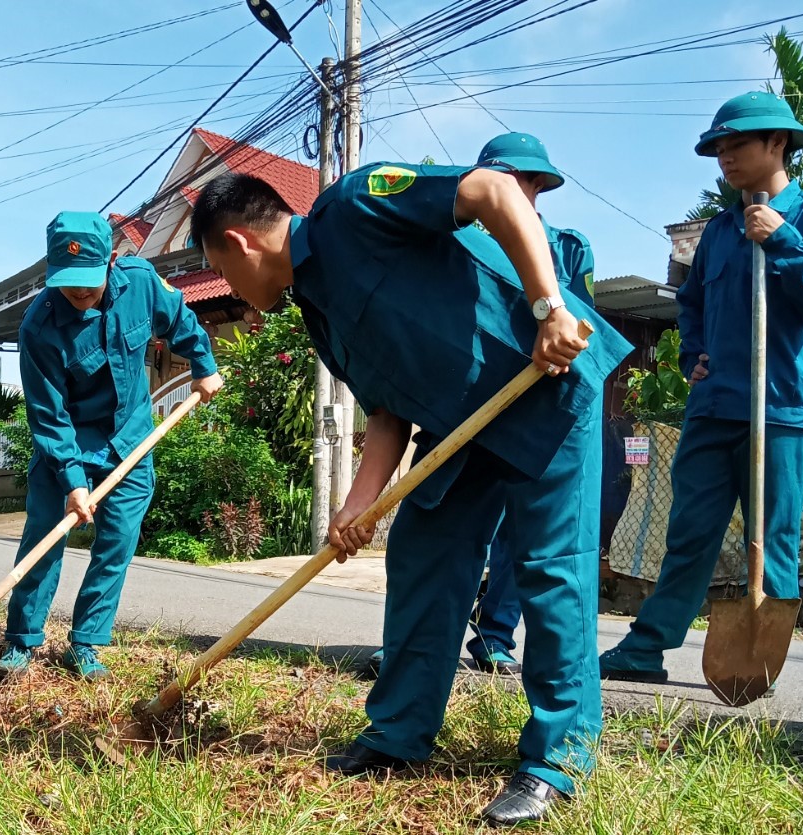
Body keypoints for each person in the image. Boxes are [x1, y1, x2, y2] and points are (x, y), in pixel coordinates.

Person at [189, 164, 630, 825]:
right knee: (424, 555)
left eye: (221, 268)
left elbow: (494, 191)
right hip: (462, 429)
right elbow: (387, 412)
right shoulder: (317, 309)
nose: (238, 293)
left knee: (548, 570)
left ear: (238, 241)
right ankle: (397, 735)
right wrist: (356, 507)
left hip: (543, 384)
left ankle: (555, 763)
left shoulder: (355, 206)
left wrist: (550, 307)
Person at [365, 132, 598, 678]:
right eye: (503, 178)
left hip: (541, 413)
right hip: (465, 414)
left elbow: (581, 322)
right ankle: (413, 650)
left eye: (521, 181)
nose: (512, 190)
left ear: (539, 185)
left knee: (530, 545)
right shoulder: (457, 243)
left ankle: (494, 637)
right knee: (438, 536)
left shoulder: (567, 247)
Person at [600, 92, 803, 685]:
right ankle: (646, 648)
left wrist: (784, 241)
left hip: (782, 411)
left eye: (737, 143)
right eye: (718, 147)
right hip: (714, 409)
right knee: (689, 534)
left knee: (774, 541)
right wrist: (694, 353)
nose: (725, 157)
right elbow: (690, 304)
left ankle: (760, 665)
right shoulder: (718, 233)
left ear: (777, 143)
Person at [0, 211, 222, 682]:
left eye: (88, 282)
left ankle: (86, 644)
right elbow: (48, 415)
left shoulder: (140, 283)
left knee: (116, 542)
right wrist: (73, 482)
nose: (78, 294)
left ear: (112, 261)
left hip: (130, 439)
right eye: (67, 282)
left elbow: (179, 317)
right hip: (68, 442)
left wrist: (203, 363)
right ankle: (21, 642)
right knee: (44, 536)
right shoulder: (38, 328)